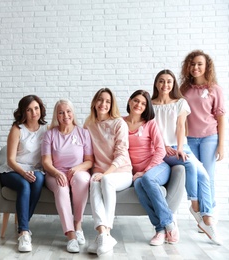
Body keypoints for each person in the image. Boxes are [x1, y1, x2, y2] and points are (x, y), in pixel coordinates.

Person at [151, 69, 222, 245]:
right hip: (162, 149)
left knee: (204, 175)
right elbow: (152, 130)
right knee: (189, 165)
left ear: (173, 84)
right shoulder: (150, 105)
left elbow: (181, 127)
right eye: (161, 81)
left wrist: (181, 148)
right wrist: (165, 146)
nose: (165, 85)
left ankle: (207, 218)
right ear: (156, 84)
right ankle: (195, 205)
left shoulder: (180, 103)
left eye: (168, 81)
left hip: (181, 146)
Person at [124, 90, 179, 246]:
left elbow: (161, 150)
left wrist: (145, 170)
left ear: (147, 106)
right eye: (136, 101)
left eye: (143, 103)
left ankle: (168, 222)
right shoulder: (120, 123)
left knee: (146, 179)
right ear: (129, 101)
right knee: (139, 185)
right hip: (137, 173)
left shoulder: (150, 124)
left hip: (158, 167)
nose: (139, 105)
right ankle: (160, 230)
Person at [84, 88, 133, 256]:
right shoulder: (88, 125)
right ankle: (102, 233)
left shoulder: (119, 123)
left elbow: (121, 154)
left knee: (105, 181)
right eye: (100, 100)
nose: (103, 104)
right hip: (100, 172)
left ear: (112, 105)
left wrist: (106, 173)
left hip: (121, 172)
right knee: (94, 182)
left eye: (108, 101)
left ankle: (107, 233)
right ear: (94, 102)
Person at [41, 99, 93, 253]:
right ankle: (71, 236)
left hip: (78, 171)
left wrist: (78, 168)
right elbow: (46, 162)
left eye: (68, 111)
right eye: (61, 112)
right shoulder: (49, 134)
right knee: (62, 187)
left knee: (82, 179)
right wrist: (57, 173)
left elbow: (89, 161)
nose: (65, 115)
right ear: (56, 115)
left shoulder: (83, 133)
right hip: (55, 173)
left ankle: (78, 225)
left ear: (73, 113)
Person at [0, 95, 48, 252]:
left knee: (39, 179)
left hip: (35, 169)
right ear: (23, 112)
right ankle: (24, 232)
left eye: (36, 108)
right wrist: (24, 173)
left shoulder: (47, 129)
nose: (34, 112)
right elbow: (11, 159)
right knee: (24, 185)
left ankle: (23, 223)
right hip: (13, 170)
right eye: (29, 109)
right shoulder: (17, 129)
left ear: (41, 109)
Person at [179, 50, 225, 211]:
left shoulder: (215, 89)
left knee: (207, 176)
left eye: (199, 64)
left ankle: (208, 212)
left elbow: (220, 117)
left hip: (209, 138)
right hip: (189, 139)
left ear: (207, 67)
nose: (195, 67)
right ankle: (199, 210)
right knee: (194, 175)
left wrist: (221, 145)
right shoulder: (184, 89)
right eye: (192, 64)